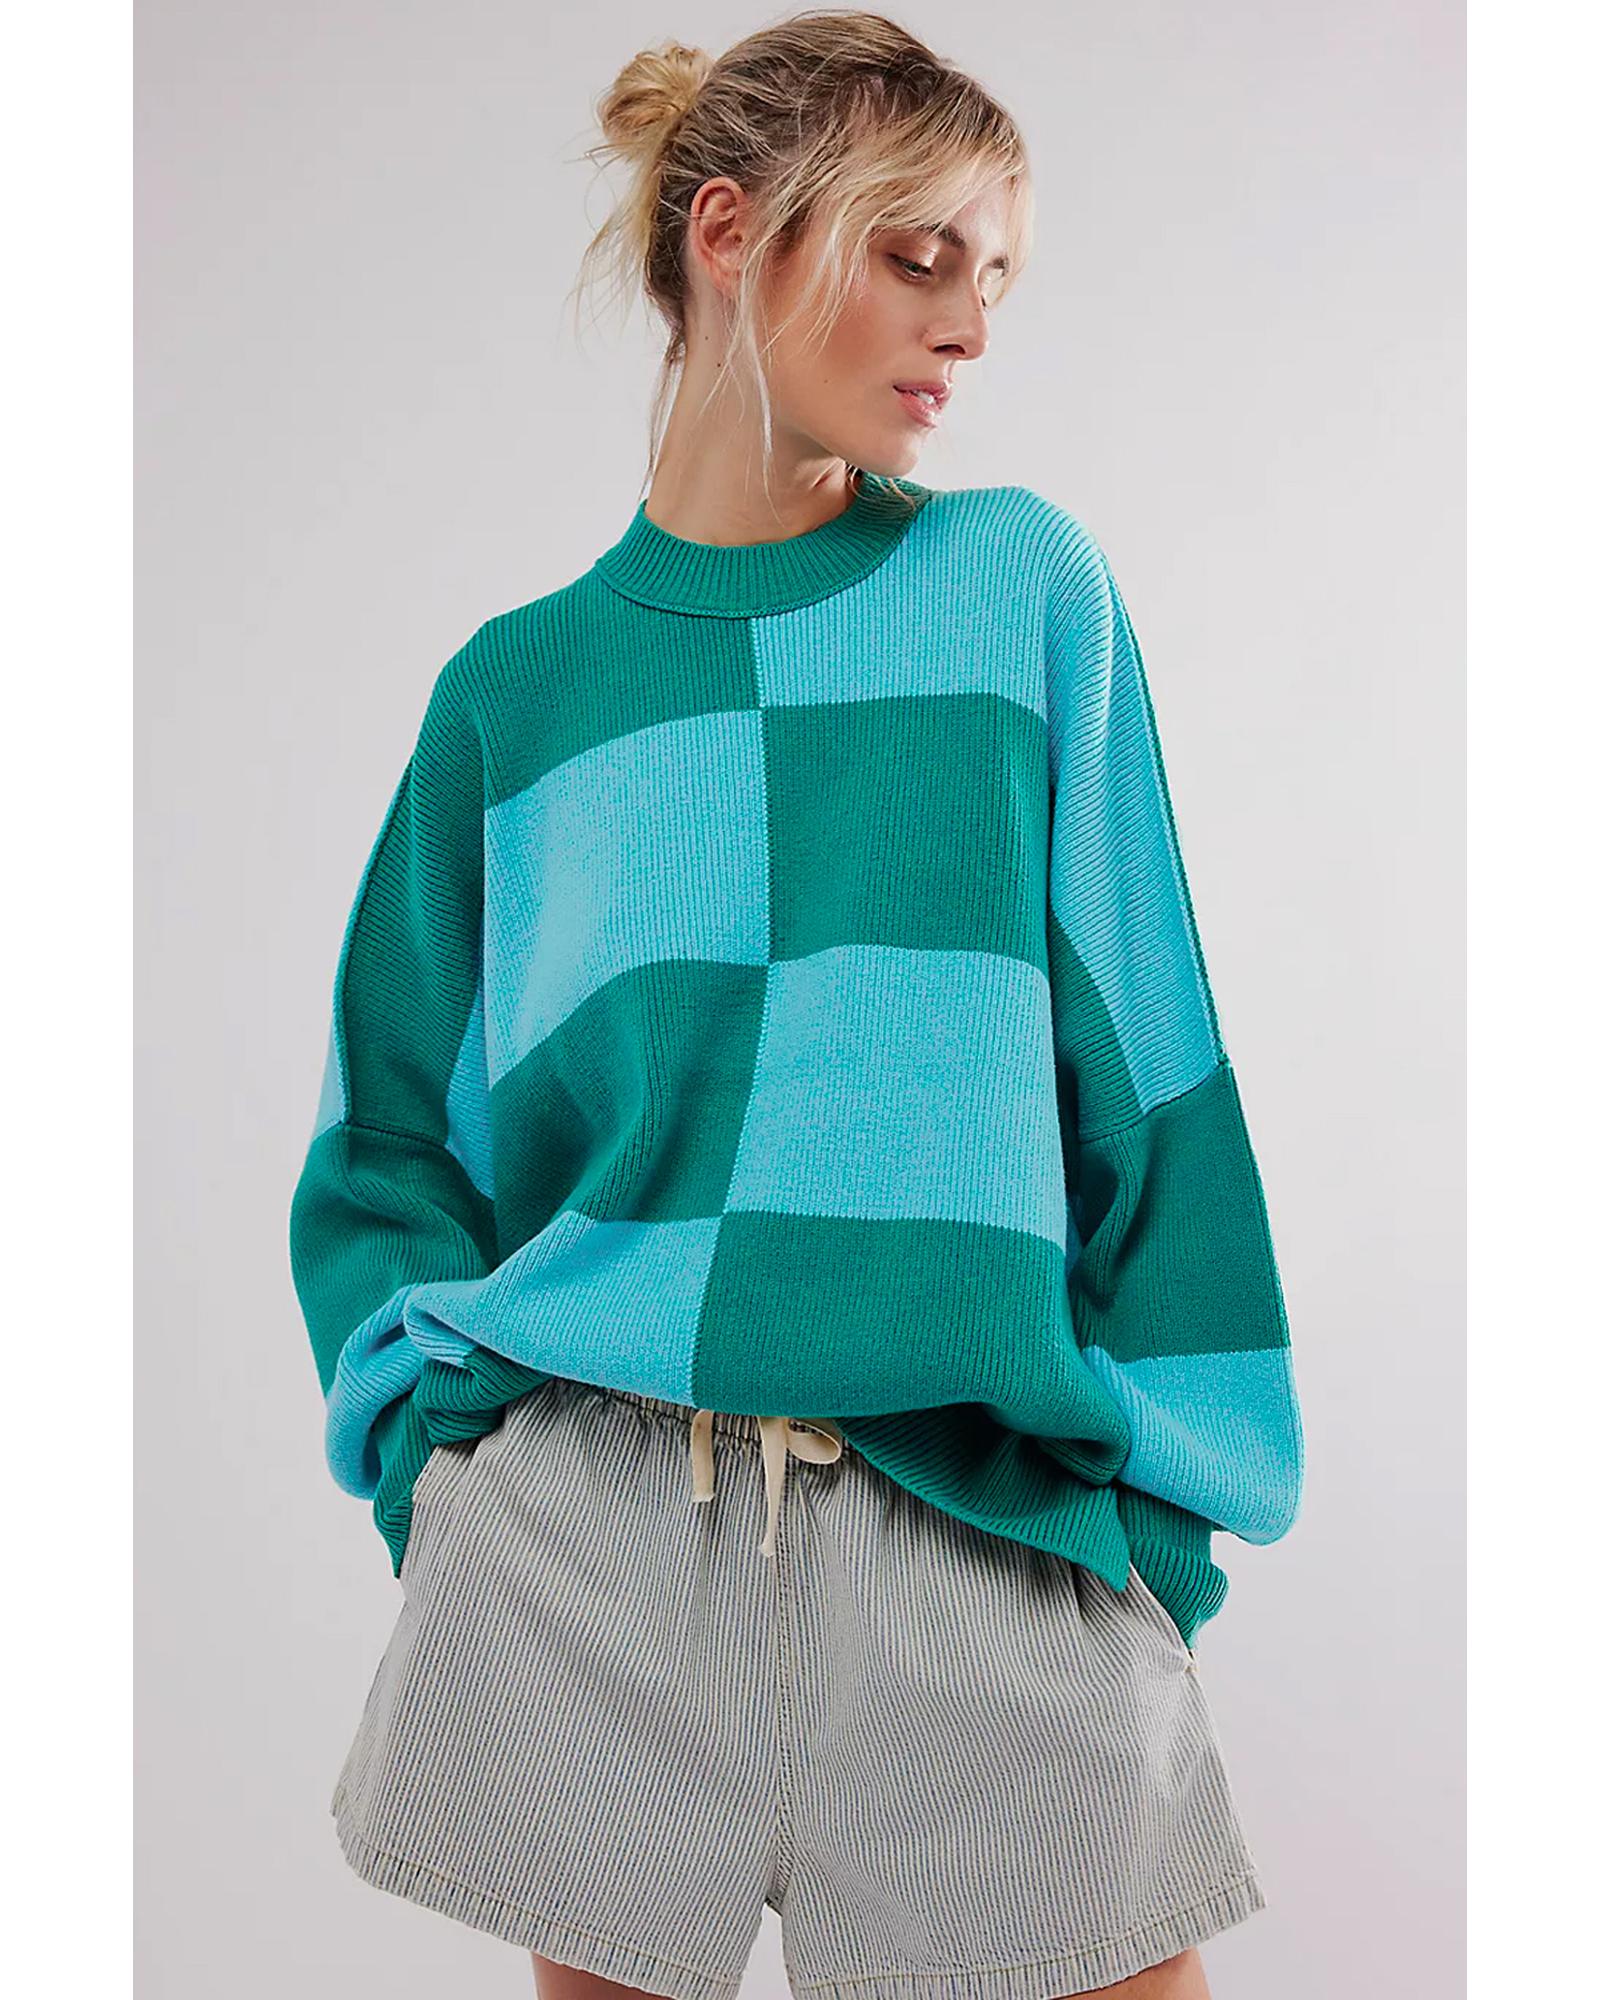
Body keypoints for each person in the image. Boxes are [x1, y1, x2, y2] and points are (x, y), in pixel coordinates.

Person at [288, 12, 1305, 1998]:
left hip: (978, 1516)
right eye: (919, 256)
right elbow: (389, 1135)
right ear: (731, 233)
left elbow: (1150, 1071)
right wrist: (443, 1473)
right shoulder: (515, 693)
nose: (968, 325)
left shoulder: (1020, 592)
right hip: (597, 1538)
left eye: (993, 276)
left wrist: (1159, 1529)